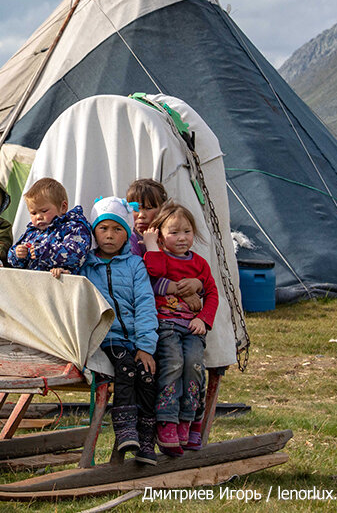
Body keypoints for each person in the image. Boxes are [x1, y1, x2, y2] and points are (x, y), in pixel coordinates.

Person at [74, 196, 159, 465]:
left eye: (117, 229)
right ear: (94, 232)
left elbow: (146, 305)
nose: (109, 235)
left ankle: (146, 442)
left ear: (127, 234)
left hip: (134, 338)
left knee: (147, 377)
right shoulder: (85, 266)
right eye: (103, 229)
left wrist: (146, 346)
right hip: (106, 338)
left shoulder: (135, 265)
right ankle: (125, 431)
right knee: (126, 368)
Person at [142, 201, 219, 456]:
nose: (182, 238)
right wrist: (152, 246)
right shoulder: (159, 259)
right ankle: (167, 421)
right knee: (173, 364)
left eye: (187, 231)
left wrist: (204, 320)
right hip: (166, 326)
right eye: (173, 232)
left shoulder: (200, 265)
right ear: (161, 236)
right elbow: (153, 272)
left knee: (194, 366)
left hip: (191, 328)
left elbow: (212, 293)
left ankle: (188, 420)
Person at [127, 178, 204, 312]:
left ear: (163, 209)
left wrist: (196, 284)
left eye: (149, 208)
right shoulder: (130, 241)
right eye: (135, 209)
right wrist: (181, 291)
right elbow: (139, 279)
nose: (141, 215)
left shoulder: (170, 238)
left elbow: (185, 269)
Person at [7, 177, 91, 275]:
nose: (38, 217)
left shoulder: (74, 228)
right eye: (33, 213)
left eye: (44, 211)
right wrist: (17, 255)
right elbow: (12, 261)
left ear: (63, 207)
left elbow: (76, 254)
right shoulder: (32, 232)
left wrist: (43, 251)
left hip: (60, 285)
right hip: (31, 285)